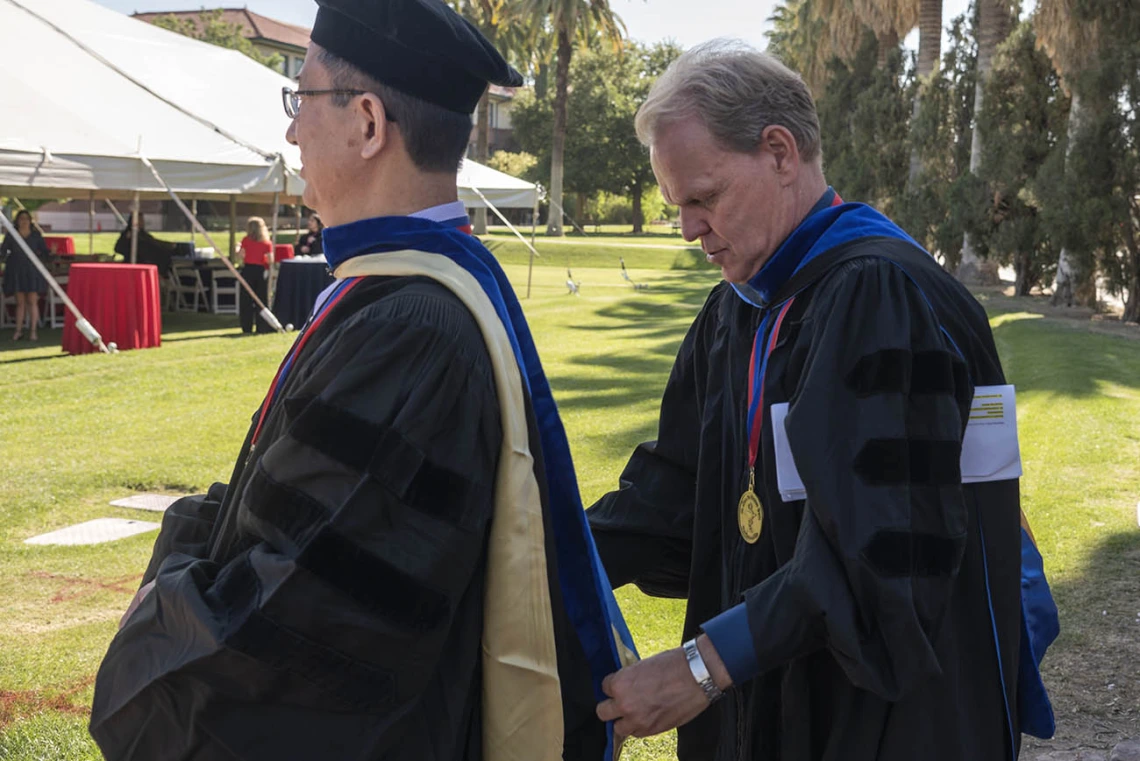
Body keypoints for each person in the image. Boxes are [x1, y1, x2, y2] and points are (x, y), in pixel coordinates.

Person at [89, 1, 636, 759]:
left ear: (369, 124)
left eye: (301, 99)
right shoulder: (406, 296)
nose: (290, 131)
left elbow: (307, 614)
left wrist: (165, 602)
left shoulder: (410, 329)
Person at [588, 41, 1058, 761]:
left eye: (703, 197)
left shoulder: (880, 296)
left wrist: (700, 666)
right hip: (778, 700)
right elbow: (682, 502)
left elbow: (881, 551)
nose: (687, 229)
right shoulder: (736, 313)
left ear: (780, 152)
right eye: (678, 205)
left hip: (887, 720)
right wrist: (554, 555)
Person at [1, 209, 50, 341]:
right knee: (20, 302)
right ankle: (18, 331)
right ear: (17, 221)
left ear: (30, 221)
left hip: (32, 271)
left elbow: (45, 252)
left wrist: (51, 253)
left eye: (26, 219)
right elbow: (3, 252)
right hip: (16, 270)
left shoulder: (35, 235)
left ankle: (33, 331)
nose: (24, 221)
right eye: (21, 219)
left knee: (32, 301)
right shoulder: (11, 235)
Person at [237, 216, 275, 333]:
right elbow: (270, 260)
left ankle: (246, 327)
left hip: (248, 270)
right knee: (261, 299)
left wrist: (237, 248)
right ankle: (262, 327)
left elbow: (241, 256)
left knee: (246, 300)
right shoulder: (266, 243)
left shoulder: (245, 241)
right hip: (260, 271)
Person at [113, 213, 174, 279]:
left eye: (142, 220)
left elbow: (153, 242)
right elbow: (118, 248)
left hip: (148, 259)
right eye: (140, 220)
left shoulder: (143, 234)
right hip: (136, 261)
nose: (142, 222)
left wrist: (168, 245)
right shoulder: (127, 234)